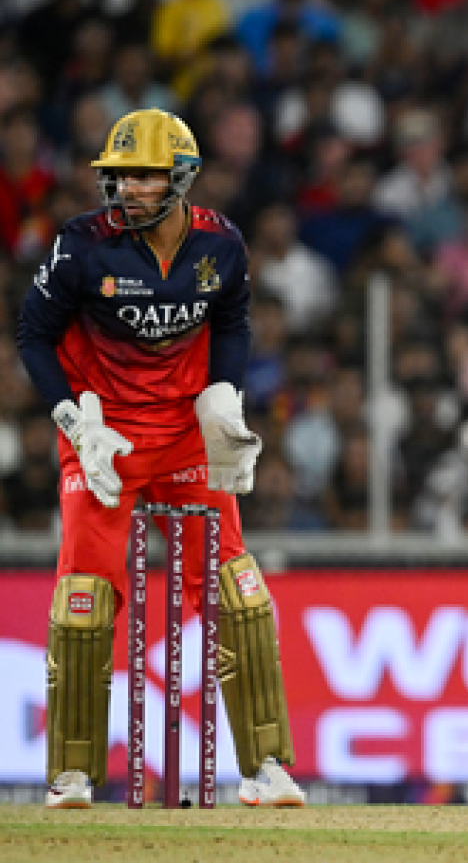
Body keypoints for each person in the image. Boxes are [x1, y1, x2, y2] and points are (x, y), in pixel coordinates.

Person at [16, 109, 305, 809]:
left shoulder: (220, 244)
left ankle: (267, 767)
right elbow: (32, 333)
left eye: (144, 176)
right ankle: (71, 774)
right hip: (103, 437)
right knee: (84, 597)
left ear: (181, 178)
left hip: (182, 438)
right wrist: (71, 418)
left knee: (236, 589)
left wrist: (224, 397)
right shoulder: (82, 245)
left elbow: (232, 320)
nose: (127, 189)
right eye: (119, 176)